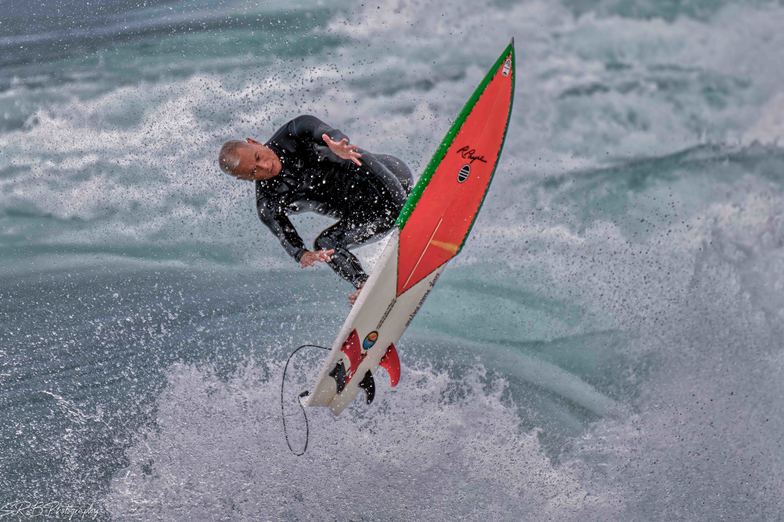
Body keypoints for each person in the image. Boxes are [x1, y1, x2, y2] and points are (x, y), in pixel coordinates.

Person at [218, 114, 413, 304]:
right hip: (375, 216)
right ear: (245, 179)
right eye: (254, 171)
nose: (266, 166)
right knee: (325, 244)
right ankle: (364, 284)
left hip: (393, 178)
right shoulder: (269, 203)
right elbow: (289, 241)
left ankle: (406, 209)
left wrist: (337, 144)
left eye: (258, 156)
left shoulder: (293, 133)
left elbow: (325, 132)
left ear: (253, 142)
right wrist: (303, 255)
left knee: (354, 158)